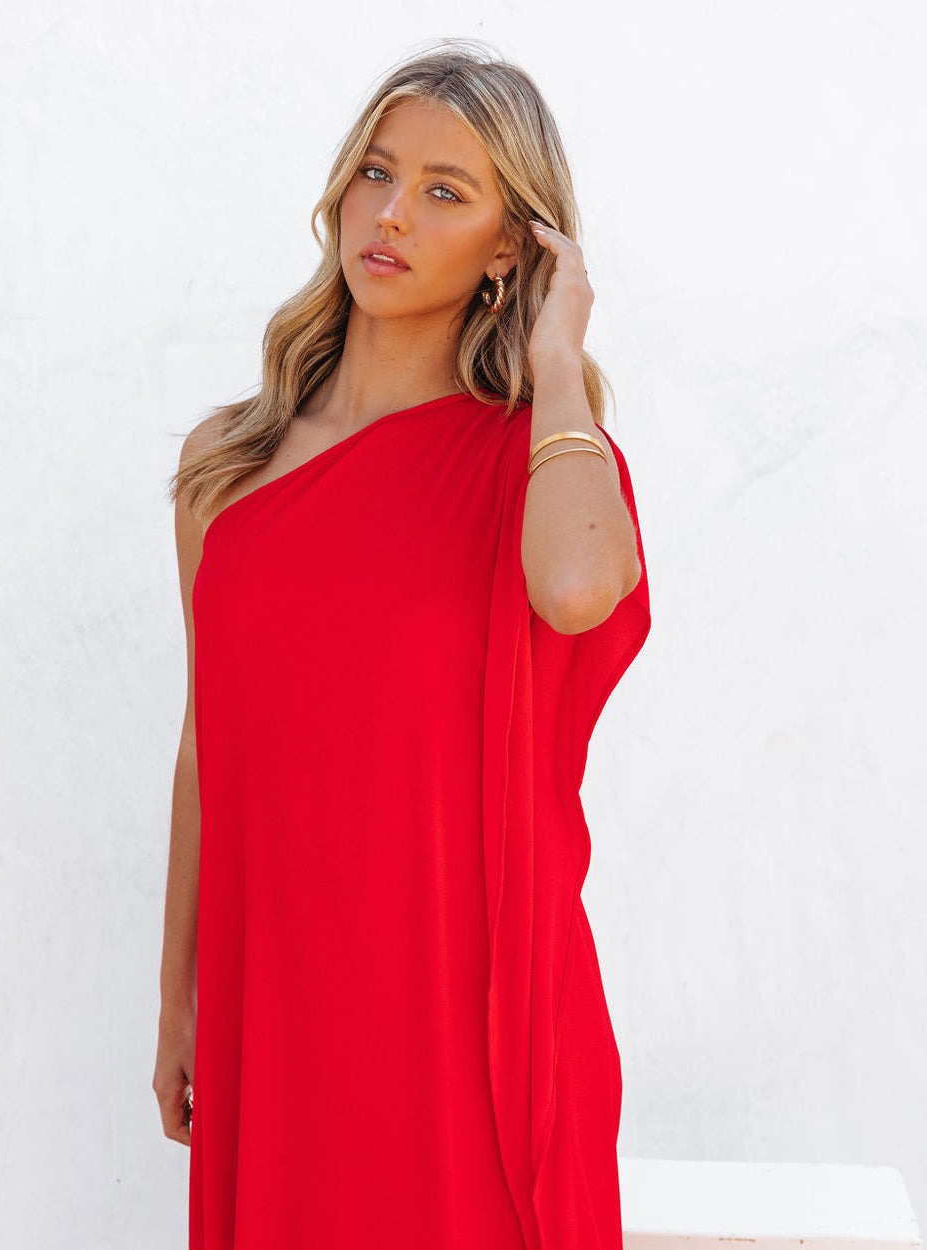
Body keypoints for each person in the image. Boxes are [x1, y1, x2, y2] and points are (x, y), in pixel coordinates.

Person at [153, 39, 651, 1250]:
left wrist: (555, 361)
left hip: (467, 1012)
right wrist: (179, 996)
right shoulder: (228, 466)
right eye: (377, 173)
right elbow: (209, 744)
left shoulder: (538, 462)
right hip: (282, 1000)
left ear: (509, 247)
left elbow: (578, 588)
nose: (389, 214)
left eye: (444, 190)